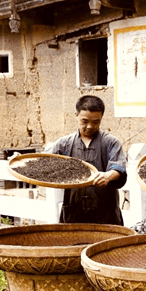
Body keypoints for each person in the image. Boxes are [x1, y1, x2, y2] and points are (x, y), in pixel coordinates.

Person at [47, 95, 127, 225]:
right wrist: (20, 161)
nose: (90, 126)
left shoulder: (111, 142)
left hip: (105, 214)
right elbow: (44, 165)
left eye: (96, 122)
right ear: (76, 115)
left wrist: (108, 176)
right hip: (73, 213)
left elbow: (119, 167)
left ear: (101, 118)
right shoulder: (63, 144)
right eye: (84, 121)